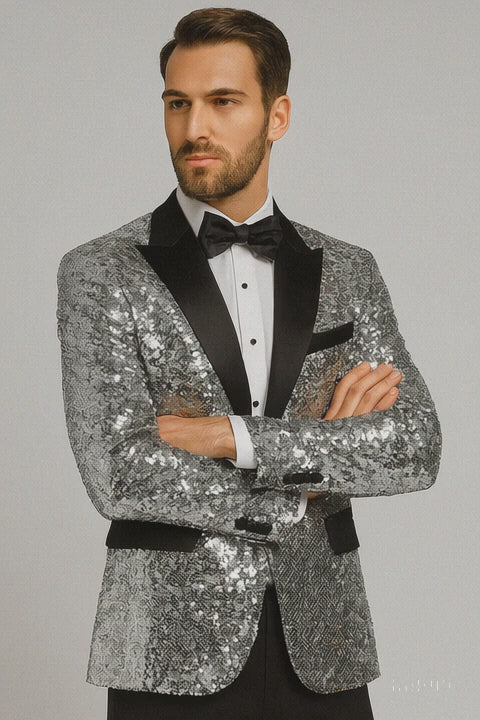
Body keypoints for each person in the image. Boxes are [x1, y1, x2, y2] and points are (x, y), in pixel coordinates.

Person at [56, 7, 442, 720]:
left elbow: (415, 447)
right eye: (178, 103)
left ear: (277, 115)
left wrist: (229, 437)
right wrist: (319, 461)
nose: (194, 127)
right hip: (167, 650)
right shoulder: (100, 271)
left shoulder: (349, 270)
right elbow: (119, 470)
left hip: (325, 643)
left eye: (224, 102)